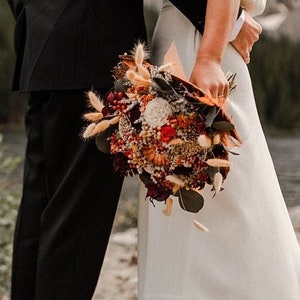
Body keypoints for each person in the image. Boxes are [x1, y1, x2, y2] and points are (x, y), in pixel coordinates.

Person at [138, 0, 300, 299]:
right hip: (197, 44)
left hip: (202, 40)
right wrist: (210, 57)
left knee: (222, 183)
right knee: (209, 181)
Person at [6, 1, 146, 299]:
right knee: (76, 223)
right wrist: (229, 21)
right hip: (94, 48)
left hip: (43, 47)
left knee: (41, 206)